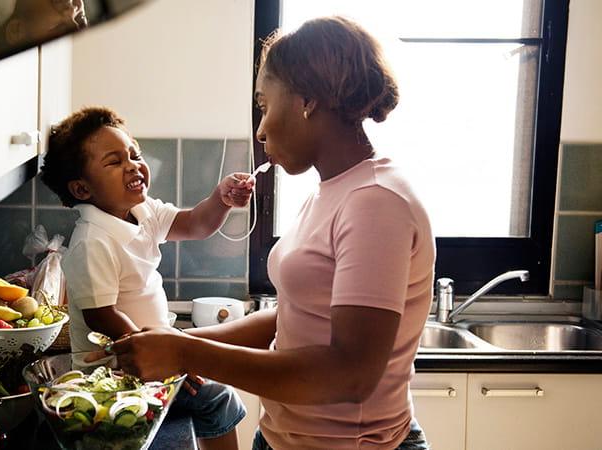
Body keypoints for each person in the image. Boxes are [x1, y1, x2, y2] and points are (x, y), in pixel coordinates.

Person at [106, 16, 435, 450]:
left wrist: (187, 354)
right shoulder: (331, 192)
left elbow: (350, 374)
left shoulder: (376, 202)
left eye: (264, 105)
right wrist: (178, 343)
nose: (260, 128)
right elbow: (293, 318)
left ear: (308, 100)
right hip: (284, 437)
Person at [39, 106, 251, 450]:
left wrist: (221, 199)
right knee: (218, 398)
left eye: (133, 154)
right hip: (119, 373)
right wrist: (167, 355)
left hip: (154, 356)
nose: (133, 165)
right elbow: (100, 315)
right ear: (81, 189)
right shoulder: (92, 241)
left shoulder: (143, 210)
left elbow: (195, 223)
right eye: (114, 162)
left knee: (215, 390)